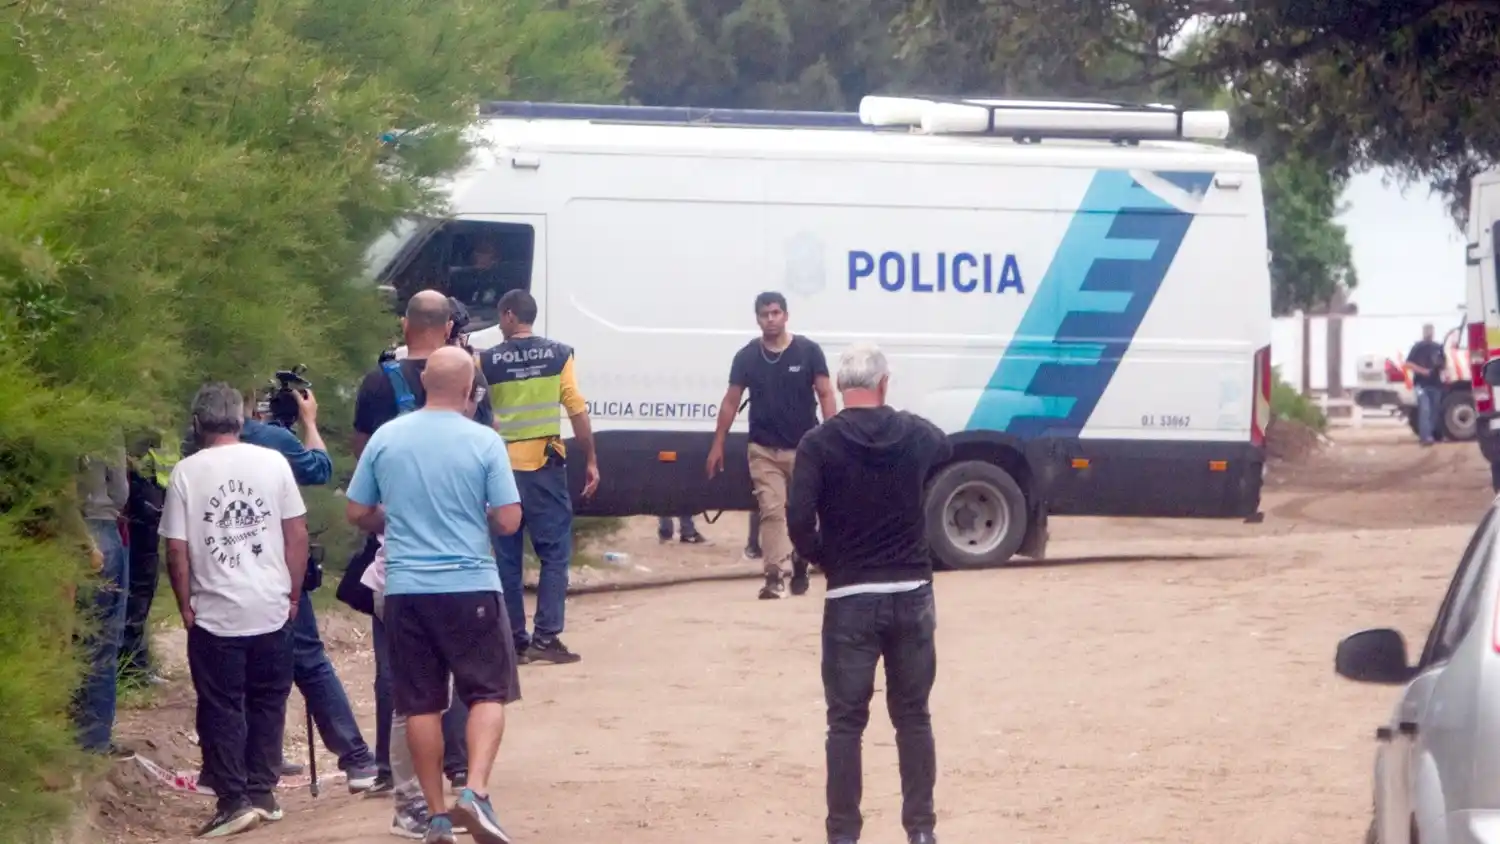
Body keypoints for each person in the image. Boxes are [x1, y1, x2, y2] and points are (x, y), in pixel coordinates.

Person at [346, 346, 525, 844]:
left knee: (421, 703)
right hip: (470, 585)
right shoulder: (485, 442)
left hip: (406, 590)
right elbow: (509, 520)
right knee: (487, 692)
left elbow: (356, 511)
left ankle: (437, 816)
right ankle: (477, 792)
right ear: (470, 391)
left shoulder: (387, 437)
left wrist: (395, 518)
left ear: (425, 384)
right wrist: (474, 516)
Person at [787, 343, 950, 844]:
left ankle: (844, 835)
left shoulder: (819, 443)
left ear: (839, 388)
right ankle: (920, 831)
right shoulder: (918, 434)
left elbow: (797, 519)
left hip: (850, 593)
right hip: (910, 588)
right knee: (913, 716)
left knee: (845, 723)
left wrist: (825, 556)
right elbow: (944, 451)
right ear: (884, 384)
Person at [351, 290, 491, 798]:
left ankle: (397, 772)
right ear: (449, 326)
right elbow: (488, 454)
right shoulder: (470, 381)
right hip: (464, 551)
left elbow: (363, 460)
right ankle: (458, 763)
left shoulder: (376, 383)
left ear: (406, 325)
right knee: (466, 664)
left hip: (397, 546)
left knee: (397, 667)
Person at [161, 383, 308, 838]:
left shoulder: (185, 473)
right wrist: (293, 593)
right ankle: (263, 791)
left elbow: (177, 550)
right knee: (268, 698)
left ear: (197, 423)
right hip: (270, 603)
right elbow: (296, 535)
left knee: (221, 705)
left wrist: (185, 604)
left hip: (216, 611)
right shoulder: (274, 463)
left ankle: (233, 800)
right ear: (241, 421)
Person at [239, 384, 380, 791]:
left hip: (224, 570)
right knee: (309, 660)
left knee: (243, 665)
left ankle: (257, 760)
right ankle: (355, 758)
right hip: (276, 567)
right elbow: (319, 468)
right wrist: (309, 422)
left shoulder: (197, 446)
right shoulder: (271, 438)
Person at [477, 288, 600, 665]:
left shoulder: (487, 361)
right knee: (554, 554)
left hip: (502, 471)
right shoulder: (560, 355)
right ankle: (546, 637)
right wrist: (591, 458)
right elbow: (576, 409)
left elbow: (475, 413)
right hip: (545, 468)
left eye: (501, 317)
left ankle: (514, 641)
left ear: (511, 315)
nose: (500, 324)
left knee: (507, 559)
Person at [707, 291, 837, 599]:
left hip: (804, 447)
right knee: (771, 509)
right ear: (757, 319)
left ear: (786, 315)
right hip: (764, 449)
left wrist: (833, 434)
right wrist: (718, 443)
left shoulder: (808, 352)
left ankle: (801, 560)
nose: (771, 319)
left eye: (776, 313)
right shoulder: (747, 357)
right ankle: (774, 576)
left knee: (803, 512)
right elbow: (731, 401)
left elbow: (826, 393)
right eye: (765, 314)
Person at [74, 440, 131, 756]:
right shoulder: (107, 419)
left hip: (66, 529)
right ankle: (94, 738)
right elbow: (120, 489)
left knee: (76, 635)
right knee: (104, 638)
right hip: (101, 528)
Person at [121, 431, 178, 687]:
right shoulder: (142, 417)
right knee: (139, 584)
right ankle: (132, 667)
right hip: (142, 496)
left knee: (144, 583)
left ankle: (135, 662)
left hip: (154, 498)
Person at [1406, 323, 1447, 446]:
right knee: (1425, 410)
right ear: (1423, 332)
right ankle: (1425, 438)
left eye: (1431, 330)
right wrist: (1422, 371)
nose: (1429, 333)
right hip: (1421, 384)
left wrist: (1444, 373)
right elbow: (1408, 364)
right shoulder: (1417, 347)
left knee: (1434, 411)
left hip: (1436, 384)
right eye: (1427, 330)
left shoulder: (1438, 347)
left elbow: (1443, 364)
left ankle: (1433, 435)